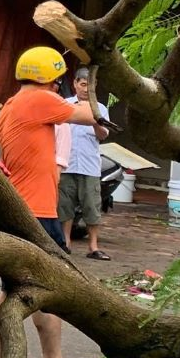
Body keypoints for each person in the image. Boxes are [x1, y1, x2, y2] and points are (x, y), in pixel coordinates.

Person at [0, 46, 100, 358]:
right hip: (33, 213)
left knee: (38, 289)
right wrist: (94, 74)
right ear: (46, 80)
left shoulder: (12, 105)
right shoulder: (37, 100)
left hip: (26, 209)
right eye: (57, 82)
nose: (59, 88)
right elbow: (90, 114)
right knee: (23, 290)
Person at [54, 67, 112, 260]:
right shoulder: (64, 104)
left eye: (91, 85)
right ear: (75, 84)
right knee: (65, 205)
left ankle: (93, 247)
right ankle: (65, 243)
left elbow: (103, 135)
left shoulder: (100, 108)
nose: (86, 89)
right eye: (83, 84)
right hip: (66, 163)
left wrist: (94, 120)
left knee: (92, 206)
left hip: (89, 166)